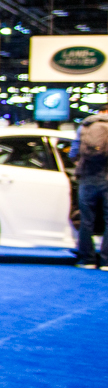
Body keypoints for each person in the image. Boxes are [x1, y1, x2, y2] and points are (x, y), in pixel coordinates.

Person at [70, 107, 108, 269]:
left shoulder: (84, 127)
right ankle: (106, 261)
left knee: (86, 220)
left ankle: (87, 260)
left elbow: (73, 154)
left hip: (87, 178)